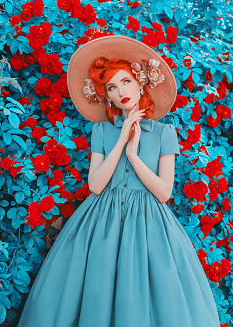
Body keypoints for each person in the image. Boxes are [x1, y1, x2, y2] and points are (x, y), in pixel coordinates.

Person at [17, 35, 221, 327]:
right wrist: (122, 138)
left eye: (125, 81)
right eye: (111, 87)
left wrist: (134, 155)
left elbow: (164, 192)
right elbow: (96, 185)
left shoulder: (164, 133)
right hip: (101, 220)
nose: (120, 91)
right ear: (107, 96)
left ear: (140, 83)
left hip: (150, 223)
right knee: (95, 289)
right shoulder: (101, 131)